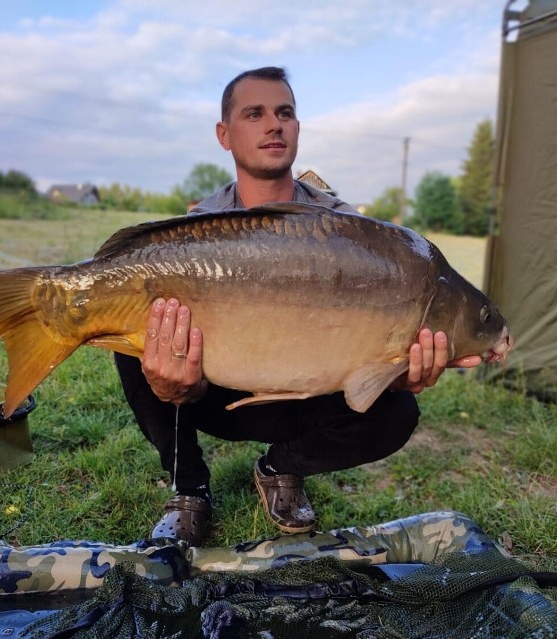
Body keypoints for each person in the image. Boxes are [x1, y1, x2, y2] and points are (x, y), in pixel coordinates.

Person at [114, 66, 482, 546]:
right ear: (225, 135)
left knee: (399, 411)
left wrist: (397, 374)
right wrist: (173, 384)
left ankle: (279, 467)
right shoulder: (199, 228)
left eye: (285, 113)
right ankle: (189, 489)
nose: (274, 124)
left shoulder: (346, 228)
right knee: (133, 338)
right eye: (256, 113)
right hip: (216, 389)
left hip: (308, 393)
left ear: (298, 128)